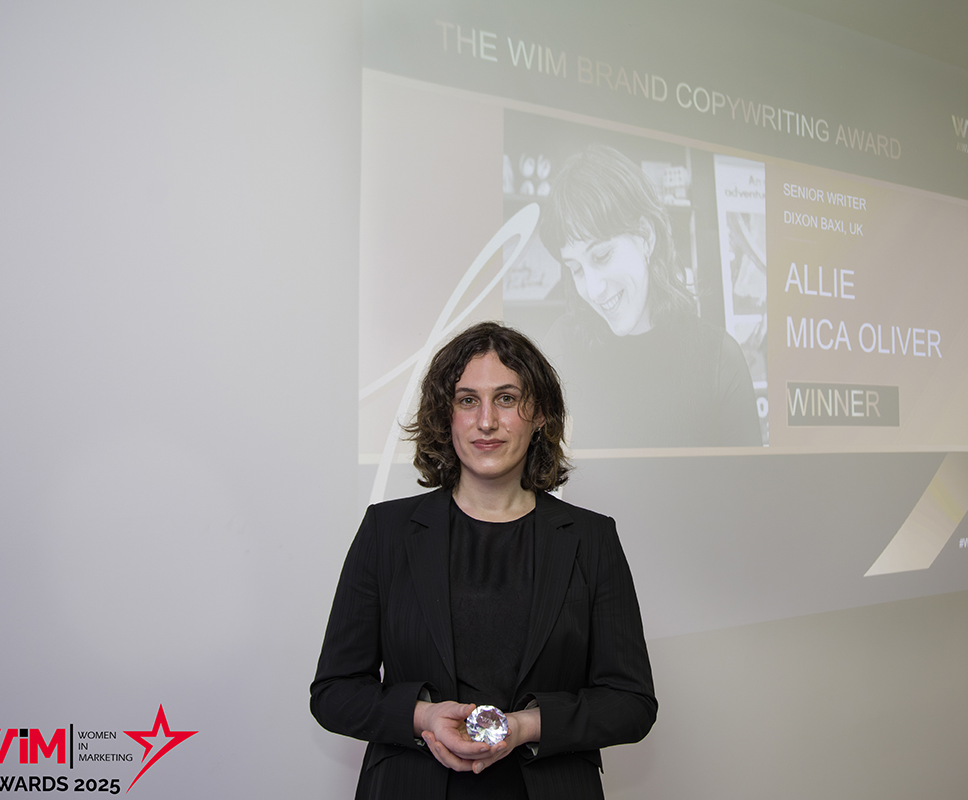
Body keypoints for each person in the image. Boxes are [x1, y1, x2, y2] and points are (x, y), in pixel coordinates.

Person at [311, 321, 657, 800]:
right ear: (446, 415)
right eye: (467, 400)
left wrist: (525, 726)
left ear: (540, 414)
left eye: (507, 399)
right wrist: (423, 716)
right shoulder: (386, 531)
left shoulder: (591, 538)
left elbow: (631, 703)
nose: (487, 421)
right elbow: (334, 692)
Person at [538, 144, 763, 447]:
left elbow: (751, 478)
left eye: (602, 256)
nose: (593, 288)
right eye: (575, 268)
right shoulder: (560, 350)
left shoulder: (719, 360)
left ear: (645, 236)